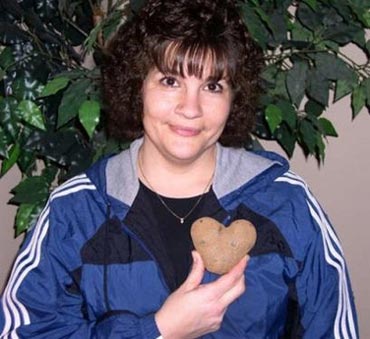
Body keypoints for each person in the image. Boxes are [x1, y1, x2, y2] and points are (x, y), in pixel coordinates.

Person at [0, 0, 358, 338]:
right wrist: (157, 330)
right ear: (137, 87)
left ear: (234, 98)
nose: (191, 108)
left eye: (213, 86)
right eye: (171, 81)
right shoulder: (75, 213)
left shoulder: (287, 203)